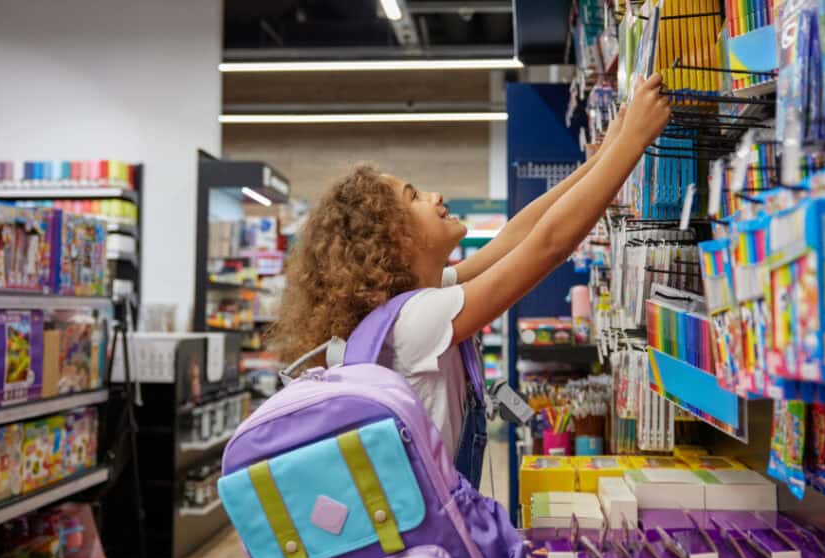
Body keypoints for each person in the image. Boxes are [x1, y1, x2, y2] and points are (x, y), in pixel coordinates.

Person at [270, 73, 670, 478]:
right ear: (394, 240)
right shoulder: (416, 320)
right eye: (415, 197)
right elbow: (548, 245)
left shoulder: (418, 300)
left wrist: (604, 155)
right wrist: (633, 144)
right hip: (436, 534)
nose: (436, 196)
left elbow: (518, 234)